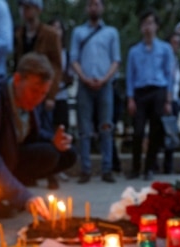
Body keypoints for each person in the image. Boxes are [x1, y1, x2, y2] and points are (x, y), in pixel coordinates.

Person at [0, 52, 76, 220]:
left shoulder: (28, 99)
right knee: (48, 154)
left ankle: (12, 190)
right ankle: (3, 196)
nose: (38, 98)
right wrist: (24, 197)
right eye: (34, 91)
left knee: (66, 153)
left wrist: (53, 140)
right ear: (17, 79)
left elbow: (30, 133)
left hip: (13, 155)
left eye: (44, 93)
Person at [70, 0, 121, 184]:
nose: (93, 7)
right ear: (86, 8)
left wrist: (104, 79)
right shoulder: (78, 32)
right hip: (84, 85)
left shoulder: (111, 33)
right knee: (84, 130)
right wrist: (83, 77)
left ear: (102, 8)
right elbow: (73, 59)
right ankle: (85, 170)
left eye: (97, 4)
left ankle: (107, 169)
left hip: (105, 85)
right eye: (90, 4)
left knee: (106, 127)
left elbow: (116, 60)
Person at [13, 0, 62, 190]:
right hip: (24, 86)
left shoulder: (50, 34)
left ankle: (52, 172)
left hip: (42, 88)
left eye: (29, 7)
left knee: (45, 129)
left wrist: (51, 94)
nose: (25, 11)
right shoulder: (19, 33)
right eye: (23, 7)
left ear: (38, 9)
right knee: (26, 130)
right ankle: (29, 174)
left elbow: (57, 65)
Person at [125, 9, 174, 181]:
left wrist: (168, 99)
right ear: (141, 27)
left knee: (155, 131)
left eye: (151, 23)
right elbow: (130, 76)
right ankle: (135, 167)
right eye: (145, 23)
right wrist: (130, 98)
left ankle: (149, 168)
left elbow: (169, 75)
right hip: (140, 92)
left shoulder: (165, 49)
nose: (148, 27)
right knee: (138, 131)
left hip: (158, 91)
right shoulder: (134, 51)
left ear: (156, 26)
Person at [162, 32, 180, 174]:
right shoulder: (163, 61)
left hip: (176, 101)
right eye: (173, 42)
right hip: (163, 100)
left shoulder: (178, 62)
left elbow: (178, 83)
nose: (175, 46)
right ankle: (155, 165)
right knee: (161, 132)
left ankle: (168, 166)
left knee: (172, 134)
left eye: (178, 43)